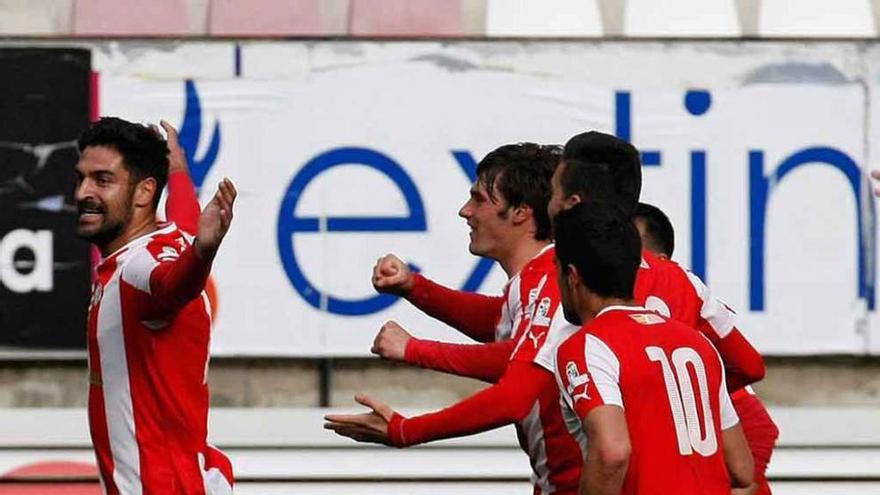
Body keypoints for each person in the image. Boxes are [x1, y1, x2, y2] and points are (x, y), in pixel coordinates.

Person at [326, 143, 587, 494]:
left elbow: (518, 377)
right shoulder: (537, 280)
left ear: (521, 213)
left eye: (479, 199)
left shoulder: (550, 278)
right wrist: (414, 286)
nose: (466, 211)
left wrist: (416, 357)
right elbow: (501, 323)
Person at [75, 117, 236, 495]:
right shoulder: (173, 237)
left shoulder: (136, 269)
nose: (83, 191)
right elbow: (186, 220)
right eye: (80, 177)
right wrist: (178, 171)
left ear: (144, 193)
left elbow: (170, 286)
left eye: (102, 180)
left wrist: (203, 255)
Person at [552, 202, 753, 494]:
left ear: (572, 276)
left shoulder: (587, 345)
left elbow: (612, 451)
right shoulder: (697, 342)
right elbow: (742, 468)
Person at [631, 200, 780, 495]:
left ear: (659, 259)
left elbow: (750, 367)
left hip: (736, 418)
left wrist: (696, 395)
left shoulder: (678, 288)